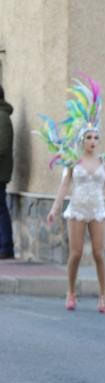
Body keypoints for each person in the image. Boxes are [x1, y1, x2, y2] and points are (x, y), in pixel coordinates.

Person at [37, 75, 105, 311]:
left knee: (98, 253)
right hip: (76, 210)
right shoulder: (73, 161)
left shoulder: (104, 162)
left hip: (96, 209)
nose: (93, 141)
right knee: (74, 254)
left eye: (96, 137)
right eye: (89, 137)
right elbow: (64, 186)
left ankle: (103, 296)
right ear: (82, 139)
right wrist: (55, 208)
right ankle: (71, 291)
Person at [0, 85, 13, 259]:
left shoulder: (2, 117)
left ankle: (6, 247)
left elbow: (1, 147)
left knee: (1, 210)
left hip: (0, 173)